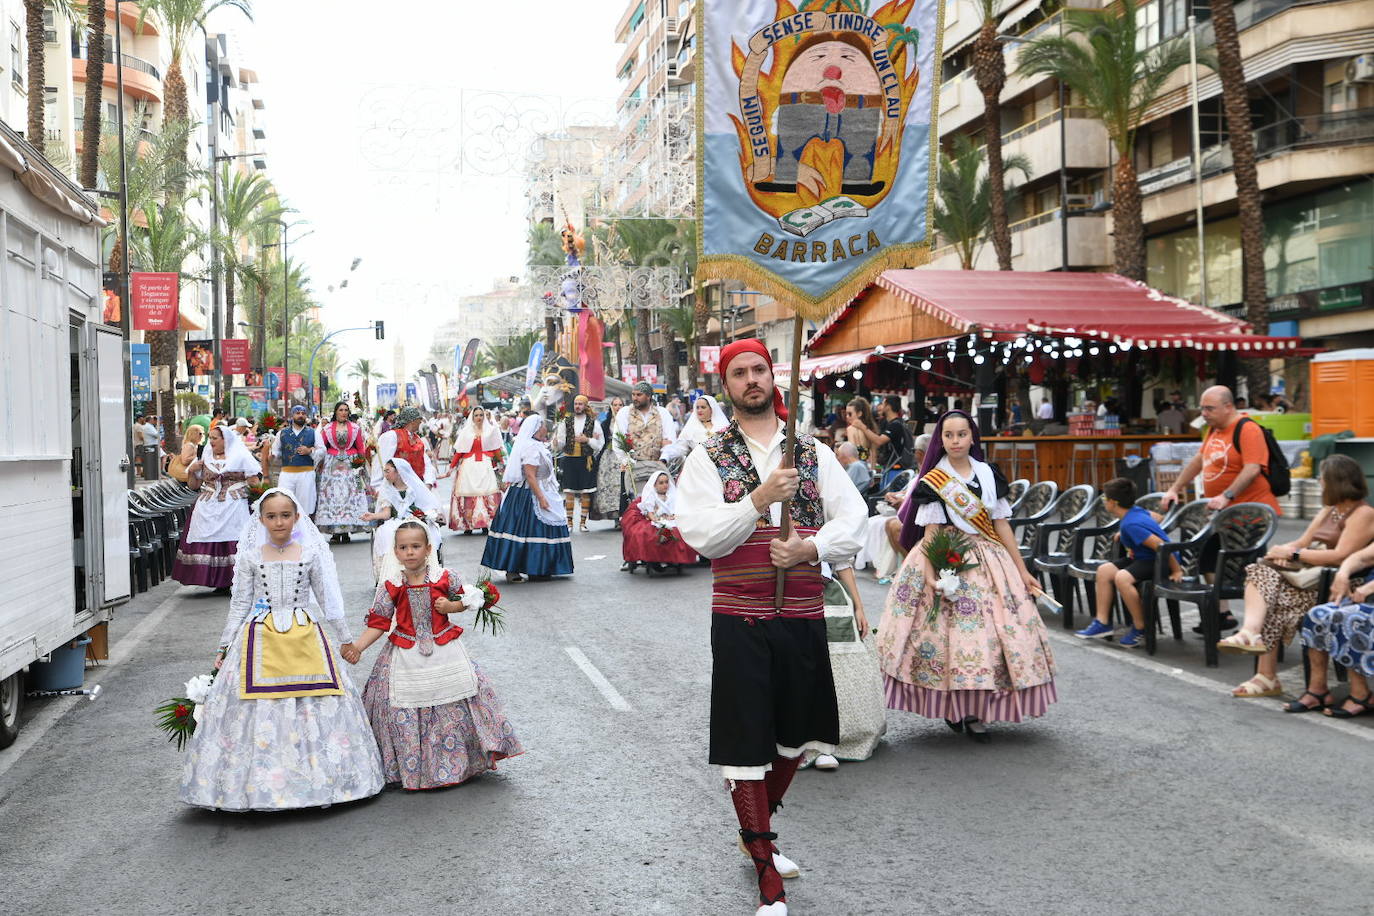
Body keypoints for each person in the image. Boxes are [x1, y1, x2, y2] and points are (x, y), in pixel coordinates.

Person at [675, 338, 866, 916]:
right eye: (740, 373)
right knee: (744, 740)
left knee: (795, 737)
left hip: (802, 612)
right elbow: (701, 534)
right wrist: (759, 498)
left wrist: (811, 545)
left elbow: (855, 517)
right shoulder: (708, 456)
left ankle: (756, 827)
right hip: (740, 616)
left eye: (759, 369)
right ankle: (766, 870)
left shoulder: (810, 450)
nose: (751, 380)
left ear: (774, 378)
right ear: (726, 386)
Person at [178, 489, 384, 811]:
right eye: (271, 516)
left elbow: (327, 600)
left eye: (285, 515)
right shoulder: (250, 557)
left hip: (305, 633)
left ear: (296, 517)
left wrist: (346, 639)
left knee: (315, 703)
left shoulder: (309, 554)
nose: (278, 522)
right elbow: (240, 604)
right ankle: (260, 784)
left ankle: (319, 781)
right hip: (260, 636)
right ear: (261, 519)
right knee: (256, 710)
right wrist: (224, 645)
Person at [877, 410, 1057, 744]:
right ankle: (953, 705)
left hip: (990, 561)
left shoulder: (988, 474)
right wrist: (930, 575)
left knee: (986, 639)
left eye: (962, 434)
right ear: (940, 439)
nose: (956, 441)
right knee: (948, 640)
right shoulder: (934, 480)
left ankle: (975, 711)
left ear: (972, 436)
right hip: (947, 555)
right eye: (949, 435)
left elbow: (1001, 524)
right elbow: (929, 534)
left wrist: (1022, 571)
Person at [344, 520, 524, 790]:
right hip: (405, 650)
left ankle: (459, 762)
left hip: (444, 647)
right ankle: (409, 765)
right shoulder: (392, 585)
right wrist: (357, 647)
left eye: (416, 546)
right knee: (394, 700)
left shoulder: (445, 577)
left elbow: (469, 599)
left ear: (428, 549)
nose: (410, 552)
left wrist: (451, 605)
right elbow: (379, 622)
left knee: (463, 692)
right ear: (395, 552)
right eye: (403, 547)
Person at [1215, 455, 1374, 697]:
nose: (1319, 481)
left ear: (1336, 481)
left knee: (1273, 598)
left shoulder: (1363, 513)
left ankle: (1264, 670)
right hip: (1310, 576)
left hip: (1338, 582)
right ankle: (1251, 635)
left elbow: (1340, 555)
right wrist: (1281, 552)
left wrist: (1294, 555)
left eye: (1322, 477)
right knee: (1262, 573)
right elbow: (1301, 542)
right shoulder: (1330, 510)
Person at [1160, 385, 1281, 631]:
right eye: (1203, 408)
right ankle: (1222, 613)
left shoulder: (1247, 429)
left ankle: (1260, 625)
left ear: (1228, 406)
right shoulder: (1214, 430)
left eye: (1209, 408)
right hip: (1221, 514)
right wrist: (1175, 488)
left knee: (1250, 569)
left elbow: (1252, 468)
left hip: (1249, 514)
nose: (1204, 413)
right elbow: (1198, 461)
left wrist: (1227, 495)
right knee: (1207, 560)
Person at [1074, 478, 1184, 648]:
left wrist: (1176, 571)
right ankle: (1102, 623)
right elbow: (1158, 518)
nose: (1103, 502)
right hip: (1142, 557)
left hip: (1161, 560)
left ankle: (1141, 627)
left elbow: (1162, 546)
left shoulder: (1132, 524)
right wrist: (1125, 534)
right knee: (1104, 570)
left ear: (1113, 503)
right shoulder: (1134, 513)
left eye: (1104, 499)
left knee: (1122, 578)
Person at [806, 562, 884, 772]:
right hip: (784, 595)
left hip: (828, 595)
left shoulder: (830, 528)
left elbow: (841, 562)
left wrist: (859, 607)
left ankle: (828, 742)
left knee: (839, 669)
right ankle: (801, 742)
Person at [481, 415, 574, 583]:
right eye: (544, 426)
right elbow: (530, 476)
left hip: (537, 489)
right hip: (527, 494)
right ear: (537, 429)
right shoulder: (530, 447)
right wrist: (541, 498)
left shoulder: (536, 445)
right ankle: (514, 569)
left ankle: (538, 568)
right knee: (523, 530)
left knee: (531, 530)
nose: (546, 429)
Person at [172, 426, 262, 590]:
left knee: (235, 539)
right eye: (210, 437)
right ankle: (218, 582)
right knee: (211, 541)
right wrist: (191, 473)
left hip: (235, 504)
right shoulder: (204, 457)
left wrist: (258, 496)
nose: (211, 441)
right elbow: (194, 486)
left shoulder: (240, 456)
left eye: (215, 438)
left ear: (225, 439)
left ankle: (236, 580)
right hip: (209, 504)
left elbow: (255, 481)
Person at [1294, 542, 1374, 717]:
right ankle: (1318, 691)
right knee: (1317, 615)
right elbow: (1360, 557)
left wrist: (1370, 587)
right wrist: (1343, 573)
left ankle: (1361, 695)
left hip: (1367, 600)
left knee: (1350, 618)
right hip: (1367, 601)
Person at [363, 457, 442, 580]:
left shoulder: (415, 488)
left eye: (388, 471)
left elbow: (427, 506)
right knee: (387, 532)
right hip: (395, 521)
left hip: (415, 519)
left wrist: (426, 515)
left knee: (426, 530)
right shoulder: (386, 490)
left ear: (398, 471)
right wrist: (372, 516)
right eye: (384, 471)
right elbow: (386, 513)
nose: (385, 475)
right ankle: (392, 574)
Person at [552, 394, 605, 532]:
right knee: (569, 492)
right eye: (576, 403)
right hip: (569, 459)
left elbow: (600, 444)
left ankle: (582, 522)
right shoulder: (566, 421)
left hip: (586, 460)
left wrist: (587, 440)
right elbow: (561, 441)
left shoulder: (594, 423)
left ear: (586, 406)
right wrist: (557, 443)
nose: (577, 406)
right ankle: (569, 523)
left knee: (585, 492)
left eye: (580, 404)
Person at [614, 382, 678, 493]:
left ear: (648, 396)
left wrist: (664, 459)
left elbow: (670, 440)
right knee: (635, 502)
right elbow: (618, 440)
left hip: (657, 466)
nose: (635, 398)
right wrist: (626, 461)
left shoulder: (663, 413)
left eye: (639, 395)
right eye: (633, 394)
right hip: (634, 467)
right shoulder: (624, 413)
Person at [449, 408, 504, 534]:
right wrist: (451, 466)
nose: (479, 417)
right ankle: (468, 525)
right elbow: (460, 451)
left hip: (485, 464)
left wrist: (501, 463)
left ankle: (485, 523)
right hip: (469, 466)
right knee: (468, 494)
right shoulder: (466, 432)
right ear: (472, 417)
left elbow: (496, 449)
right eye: (476, 415)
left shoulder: (491, 430)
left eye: (481, 415)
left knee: (486, 493)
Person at [374, 406, 435, 492]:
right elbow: (382, 462)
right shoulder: (392, 436)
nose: (421, 422)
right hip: (397, 489)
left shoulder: (417, 438)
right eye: (419, 420)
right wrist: (378, 488)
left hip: (417, 487)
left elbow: (426, 462)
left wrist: (428, 482)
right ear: (412, 421)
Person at [277, 405, 322, 517]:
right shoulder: (281, 433)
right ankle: (288, 532)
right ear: (292, 415)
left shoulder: (313, 433)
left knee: (305, 506)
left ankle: (304, 532)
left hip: (306, 473)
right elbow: (275, 452)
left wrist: (310, 451)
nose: (300, 415)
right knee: (284, 503)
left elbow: (322, 451)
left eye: (303, 413)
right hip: (287, 474)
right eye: (298, 413)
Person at [592, 396, 631, 524]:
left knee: (623, 484)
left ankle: (625, 514)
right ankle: (614, 515)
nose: (618, 407)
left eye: (620, 405)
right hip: (608, 456)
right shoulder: (606, 422)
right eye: (615, 405)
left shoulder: (628, 421)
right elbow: (599, 438)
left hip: (622, 456)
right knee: (608, 485)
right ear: (611, 407)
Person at [663, 394, 730, 463]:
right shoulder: (691, 428)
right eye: (697, 407)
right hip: (697, 467)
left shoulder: (723, 427)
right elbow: (679, 449)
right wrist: (665, 456)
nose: (699, 410)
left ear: (711, 409)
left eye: (703, 407)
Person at [871, 396, 916, 484]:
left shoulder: (895, 425)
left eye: (883, 403)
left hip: (894, 470)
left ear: (888, 406)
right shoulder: (898, 423)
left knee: (889, 496)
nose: (881, 406)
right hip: (893, 468)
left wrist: (862, 427)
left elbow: (879, 441)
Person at [840, 396, 880, 465]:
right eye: (846, 414)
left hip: (856, 466)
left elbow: (852, 454)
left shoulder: (851, 429)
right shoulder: (870, 428)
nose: (847, 417)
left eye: (850, 414)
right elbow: (874, 453)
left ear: (859, 414)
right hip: (869, 466)